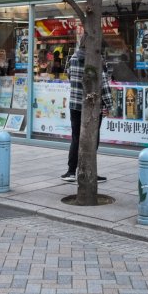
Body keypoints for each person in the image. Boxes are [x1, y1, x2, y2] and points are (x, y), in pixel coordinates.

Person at [61, 34, 112, 183]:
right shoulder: (97, 60)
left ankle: (71, 171)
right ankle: (89, 171)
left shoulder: (72, 59)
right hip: (93, 106)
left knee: (76, 137)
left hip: (75, 105)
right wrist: (109, 105)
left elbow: (69, 75)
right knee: (92, 139)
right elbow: (104, 84)